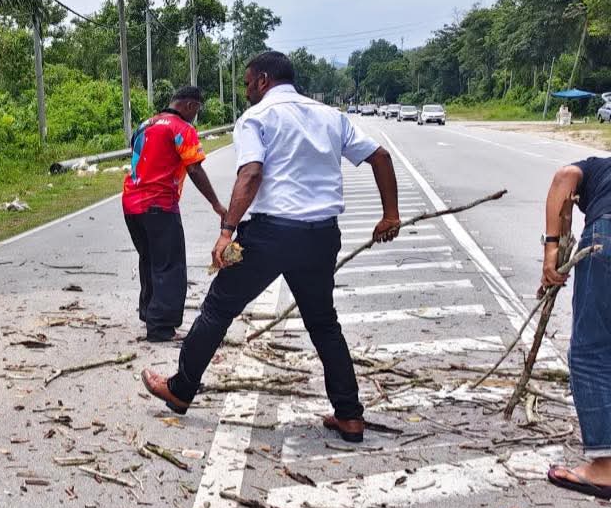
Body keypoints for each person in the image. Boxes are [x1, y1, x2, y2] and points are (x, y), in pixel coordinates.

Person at [140, 51, 402, 442]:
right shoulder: (331, 116)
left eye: (246, 83)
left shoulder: (257, 118)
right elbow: (379, 156)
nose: (245, 91)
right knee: (324, 323)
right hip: (321, 235)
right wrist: (390, 215)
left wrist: (227, 230)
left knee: (217, 309)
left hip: (269, 234)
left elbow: (251, 172)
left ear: (263, 80)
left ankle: (180, 391)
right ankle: (349, 415)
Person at [542, 156, 611, 501]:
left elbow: (563, 177)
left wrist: (551, 248)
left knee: (592, 348)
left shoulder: (591, 168)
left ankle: (609, 465)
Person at [124, 86, 227, 342]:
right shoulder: (182, 129)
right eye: (197, 110)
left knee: (149, 259)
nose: (196, 116)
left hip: (131, 203)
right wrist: (217, 204)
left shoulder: (146, 124)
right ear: (191, 105)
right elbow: (194, 170)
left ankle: (149, 313)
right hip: (159, 203)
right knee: (169, 265)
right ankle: (161, 327)